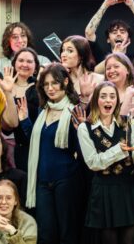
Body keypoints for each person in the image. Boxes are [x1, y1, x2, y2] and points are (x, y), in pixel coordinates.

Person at [21, 64, 83, 244]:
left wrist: (81, 130)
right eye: (46, 84)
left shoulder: (75, 110)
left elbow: (82, 151)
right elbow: (38, 141)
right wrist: (25, 120)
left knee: (67, 234)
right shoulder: (43, 110)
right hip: (42, 182)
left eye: (54, 83)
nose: (50, 88)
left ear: (65, 82)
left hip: (67, 181)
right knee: (46, 234)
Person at [78, 82, 134, 244]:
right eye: (103, 96)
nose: (108, 100)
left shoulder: (128, 122)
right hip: (104, 191)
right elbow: (93, 163)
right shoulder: (85, 128)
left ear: (117, 101)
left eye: (112, 96)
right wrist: (119, 150)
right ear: (95, 100)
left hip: (128, 188)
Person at [8, 48, 40, 169]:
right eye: (21, 60)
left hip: (36, 146)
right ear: (14, 64)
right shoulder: (6, 87)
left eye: (29, 61)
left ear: (36, 67)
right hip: (17, 148)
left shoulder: (41, 88)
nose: (24, 64)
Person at [60, 36, 104, 105]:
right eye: (63, 50)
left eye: (70, 51)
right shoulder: (61, 80)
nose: (63, 54)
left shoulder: (98, 79)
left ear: (81, 55)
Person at [102, 53, 134, 117]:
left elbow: (124, 124)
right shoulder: (101, 92)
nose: (112, 70)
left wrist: (128, 96)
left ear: (128, 70)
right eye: (108, 68)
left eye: (116, 66)